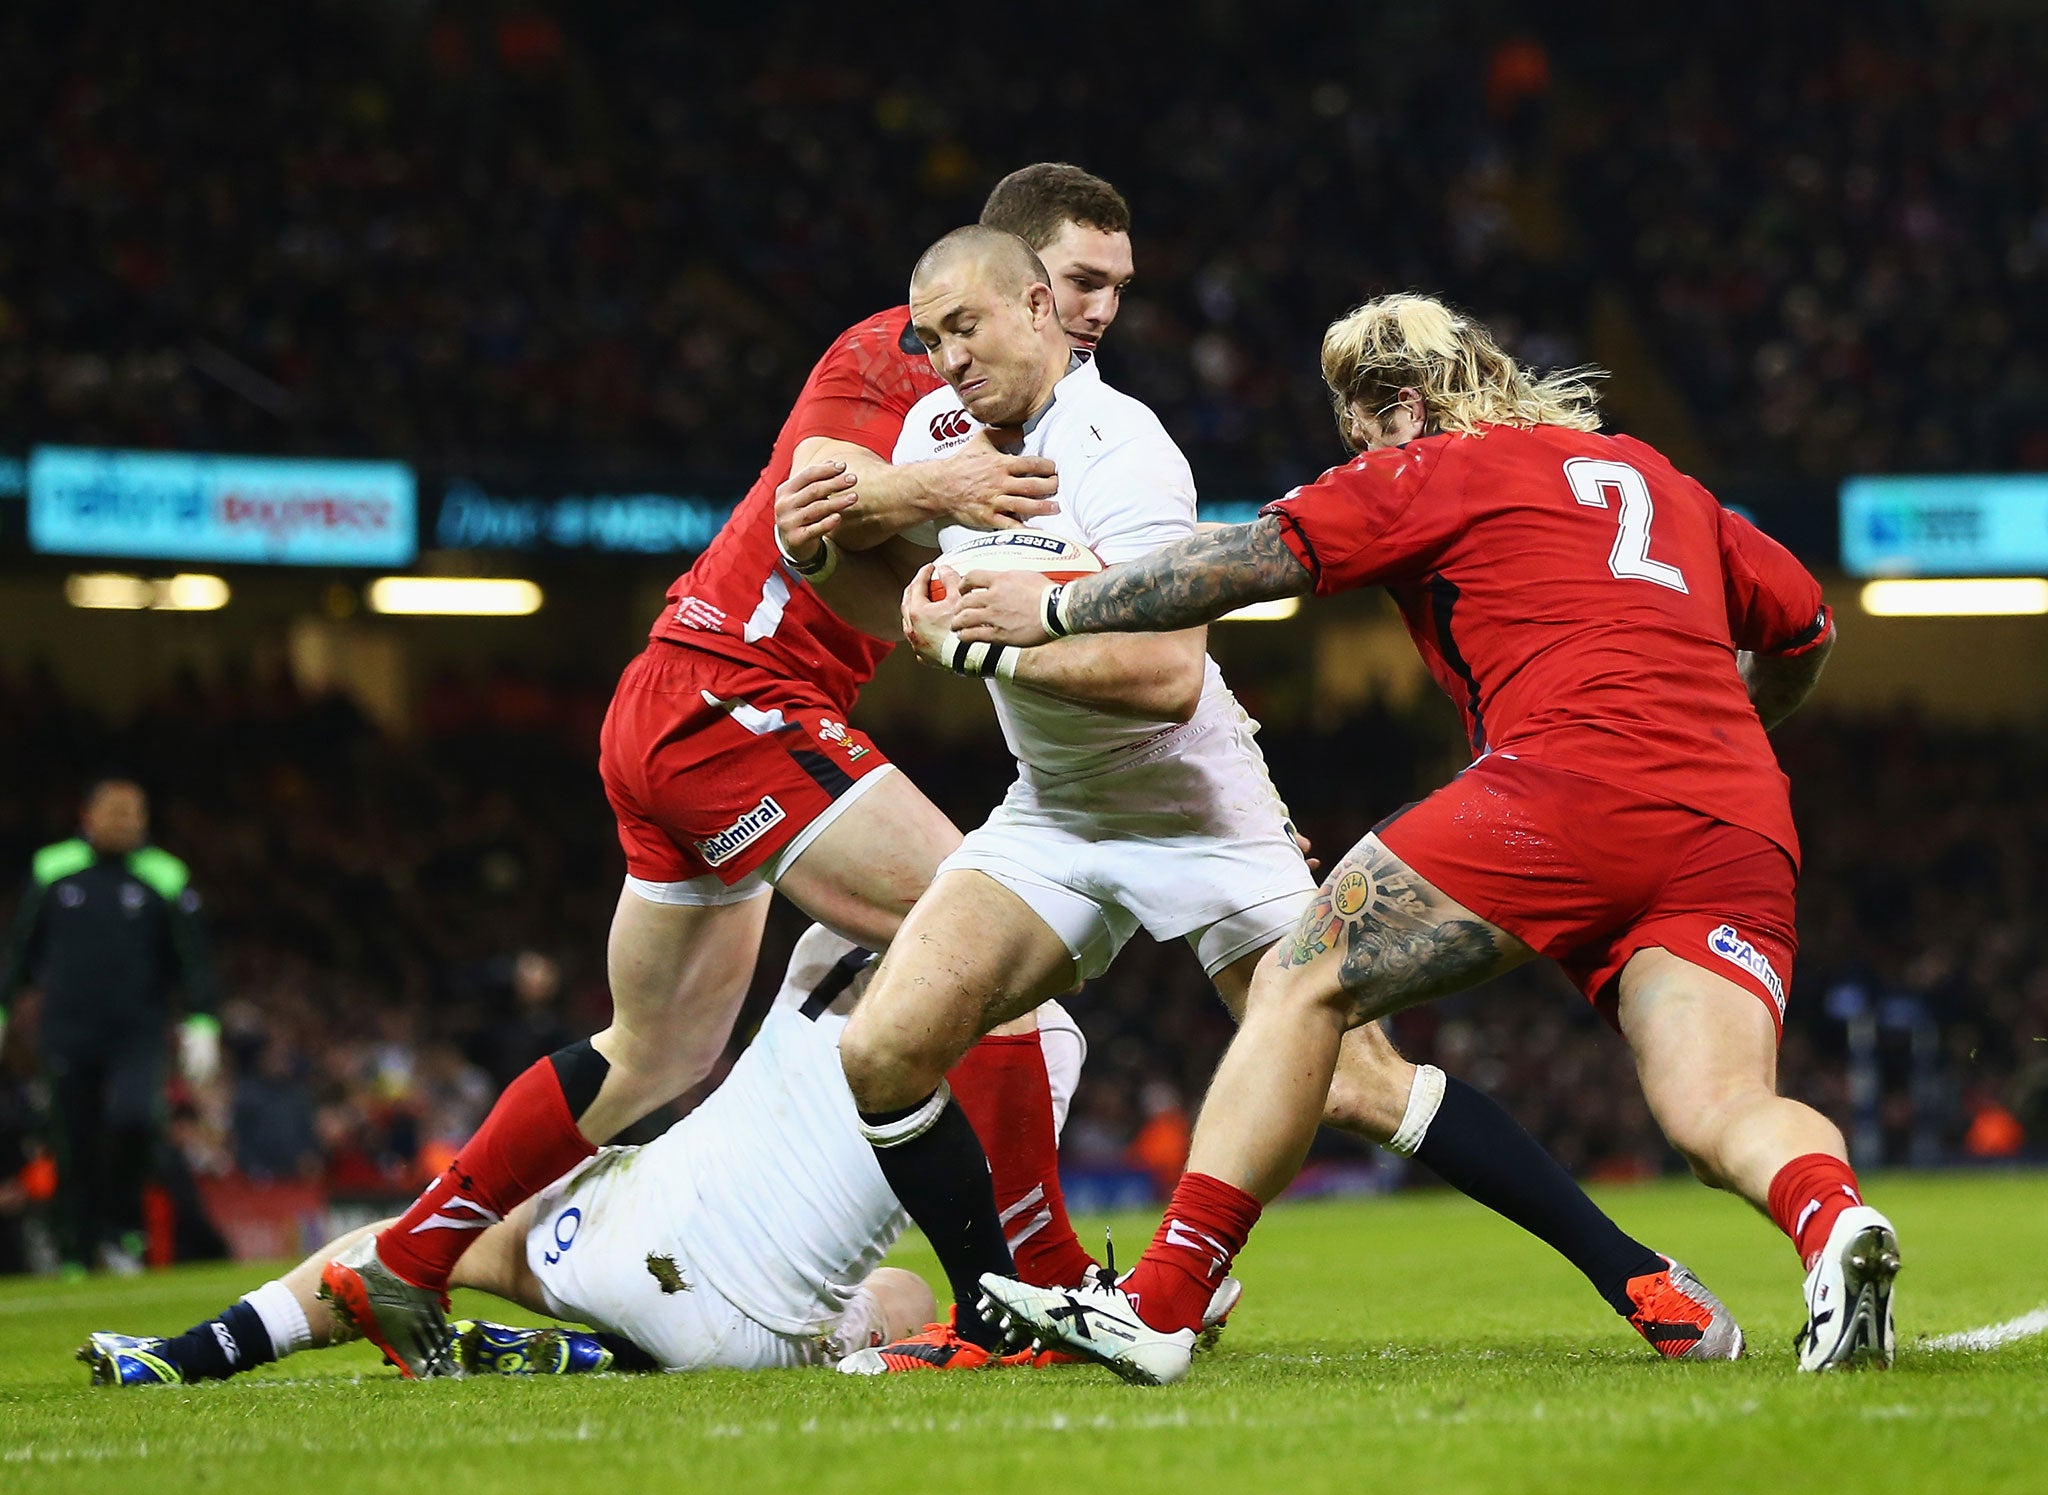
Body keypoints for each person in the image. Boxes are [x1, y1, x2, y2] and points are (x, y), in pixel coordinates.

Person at [786, 233, 1740, 1374]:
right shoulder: (934, 440)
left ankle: (1637, 1274)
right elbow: (901, 600)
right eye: (927, 337)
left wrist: (980, 655)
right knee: (883, 1053)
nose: (943, 359)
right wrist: (818, 554)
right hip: (1054, 809)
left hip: (1196, 807)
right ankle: (999, 1319)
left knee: (1357, 1080)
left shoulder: (1119, 448)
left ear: (1032, 311)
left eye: (963, 329)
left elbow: (1163, 674)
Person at [956, 293, 1897, 1379]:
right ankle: (1832, 1226)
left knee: (1300, 985)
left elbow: (1249, 560)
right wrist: (1710, 738)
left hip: (1564, 784)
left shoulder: (1430, 467)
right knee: (1720, 1108)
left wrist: (1057, 608)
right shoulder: (1653, 477)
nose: (1351, 448)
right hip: (1733, 818)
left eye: (1356, 424)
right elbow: (1801, 629)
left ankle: (1161, 1304)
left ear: (1400, 404)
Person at [321, 164, 1142, 1377]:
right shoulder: (894, 355)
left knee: (653, 1053)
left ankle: (408, 1257)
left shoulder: (1056, 404)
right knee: (984, 934)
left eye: (1117, 289)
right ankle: (1036, 1286)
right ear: (1007, 273)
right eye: (1076, 281)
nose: (1097, 310)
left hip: (691, 703)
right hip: (729, 695)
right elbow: (811, 504)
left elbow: (948, 569)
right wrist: (940, 488)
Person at [79, 927, 1035, 1384]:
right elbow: (1015, 1220)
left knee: (428, 1237)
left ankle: (191, 1354)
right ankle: (613, 1359)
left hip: (623, 1233)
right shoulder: (1035, 1043)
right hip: (745, 1340)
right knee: (909, 1294)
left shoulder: (824, 945)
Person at [0, 778, 220, 1274]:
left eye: (132, 814)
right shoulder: (53, 868)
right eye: (113, 813)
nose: (123, 823)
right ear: (87, 816)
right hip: (67, 1030)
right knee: (70, 1138)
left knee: (134, 1118)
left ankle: (124, 1230)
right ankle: (74, 1250)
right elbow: (20, 950)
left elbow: (193, 956)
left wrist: (202, 1020)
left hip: (137, 1031)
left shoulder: (165, 875)